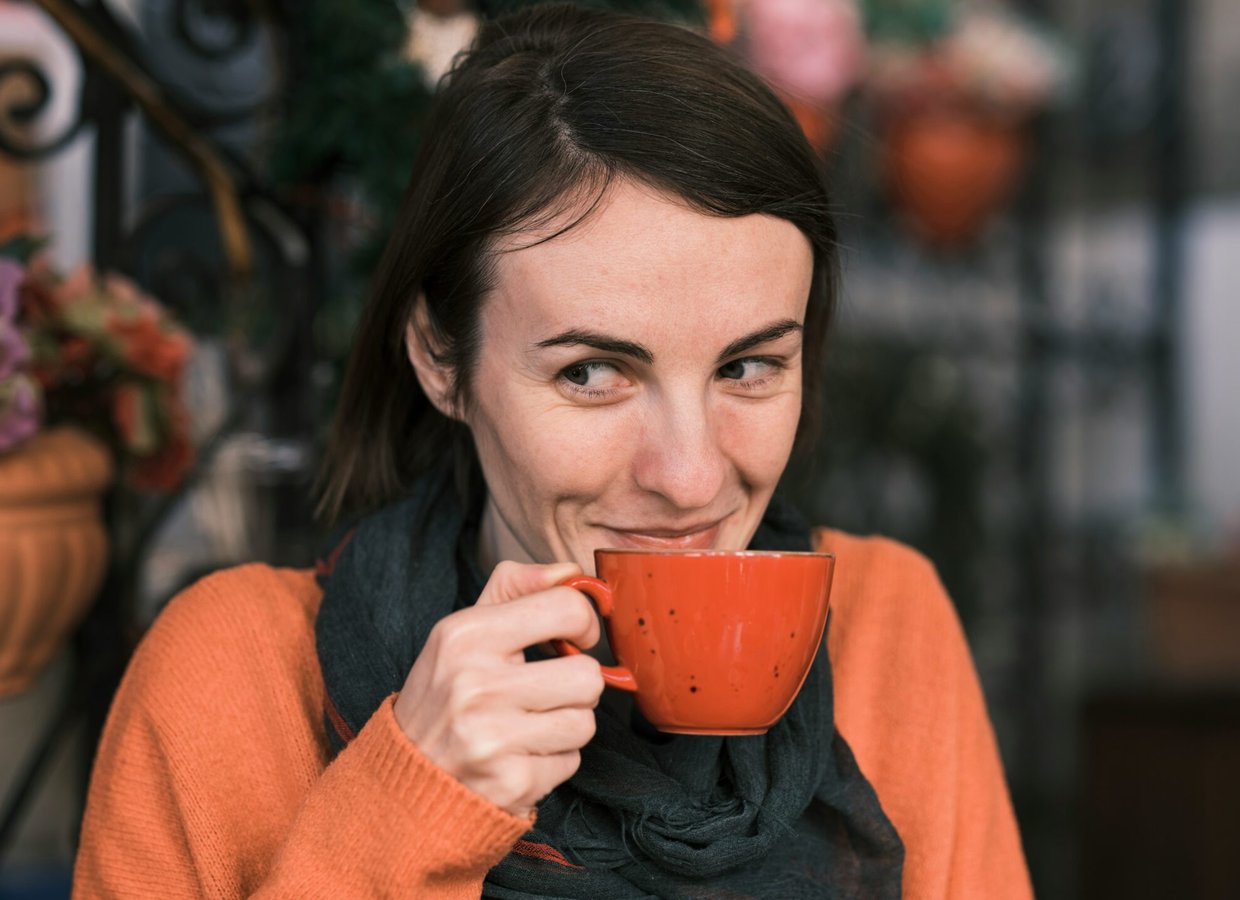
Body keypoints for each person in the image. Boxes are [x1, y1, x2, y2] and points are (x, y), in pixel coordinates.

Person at [73, 4, 1030, 897]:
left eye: (747, 366)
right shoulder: (234, 679)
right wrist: (406, 804)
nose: (692, 476)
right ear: (440, 358)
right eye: (591, 373)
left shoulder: (884, 625)